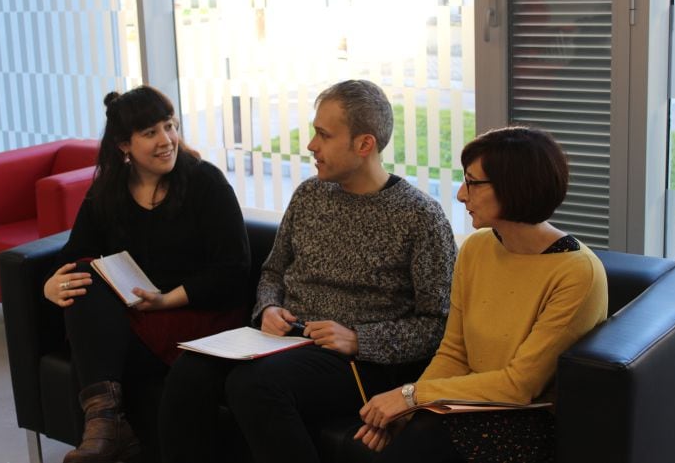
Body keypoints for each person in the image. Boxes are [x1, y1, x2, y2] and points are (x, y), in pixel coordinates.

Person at [159, 79, 457, 463]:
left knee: (254, 386)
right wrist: (267, 309)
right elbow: (272, 273)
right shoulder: (309, 194)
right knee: (189, 371)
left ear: (364, 144)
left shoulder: (420, 216)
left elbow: (437, 325)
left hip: (360, 363)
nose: (311, 145)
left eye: (323, 135)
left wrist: (359, 339)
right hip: (284, 342)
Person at [354, 126, 609, 463]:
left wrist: (412, 396)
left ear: (514, 187)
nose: (461, 194)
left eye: (473, 182)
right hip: (463, 405)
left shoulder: (577, 273)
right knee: (405, 438)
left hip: (526, 419)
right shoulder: (476, 248)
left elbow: (519, 387)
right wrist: (407, 411)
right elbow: (454, 353)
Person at [43, 85, 251, 463]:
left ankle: (108, 432)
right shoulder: (109, 190)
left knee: (92, 348)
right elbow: (75, 255)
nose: (166, 140)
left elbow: (234, 271)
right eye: (150, 133)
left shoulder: (205, 182)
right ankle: (107, 425)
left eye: (169, 126)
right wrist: (51, 284)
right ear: (124, 145)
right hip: (143, 313)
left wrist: (167, 300)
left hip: (201, 314)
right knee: (84, 279)